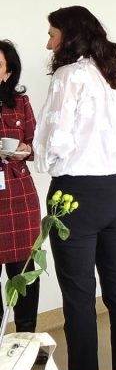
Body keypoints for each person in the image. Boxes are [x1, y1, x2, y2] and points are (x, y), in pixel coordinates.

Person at [34, 6, 116, 370]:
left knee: (79, 296)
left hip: (76, 194)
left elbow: (54, 143)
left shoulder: (69, 76)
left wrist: (44, 158)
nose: (49, 42)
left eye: (52, 34)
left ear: (69, 36)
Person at [0, 40, 41, 332]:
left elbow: (37, 144)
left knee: (24, 272)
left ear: (8, 72)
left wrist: (25, 150)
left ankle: (26, 337)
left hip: (19, 195)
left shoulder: (21, 103)